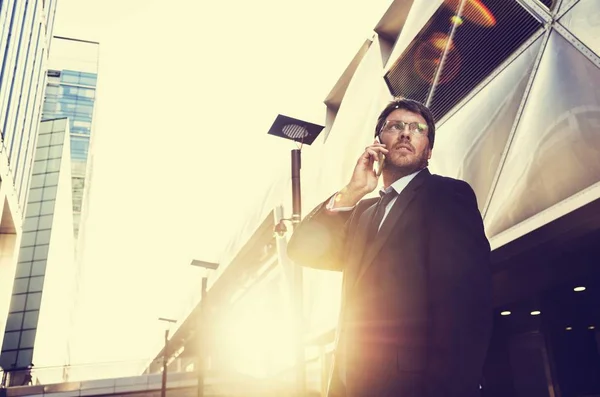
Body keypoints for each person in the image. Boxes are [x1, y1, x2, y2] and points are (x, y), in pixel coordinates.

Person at [287, 98, 492, 397]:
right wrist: (352, 191)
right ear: (378, 142)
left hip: (415, 387)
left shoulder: (448, 195)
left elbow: (465, 305)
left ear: (429, 150)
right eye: (395, 126)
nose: (406, 133)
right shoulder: (362, 212)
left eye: (417, 129)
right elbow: (302, 249)